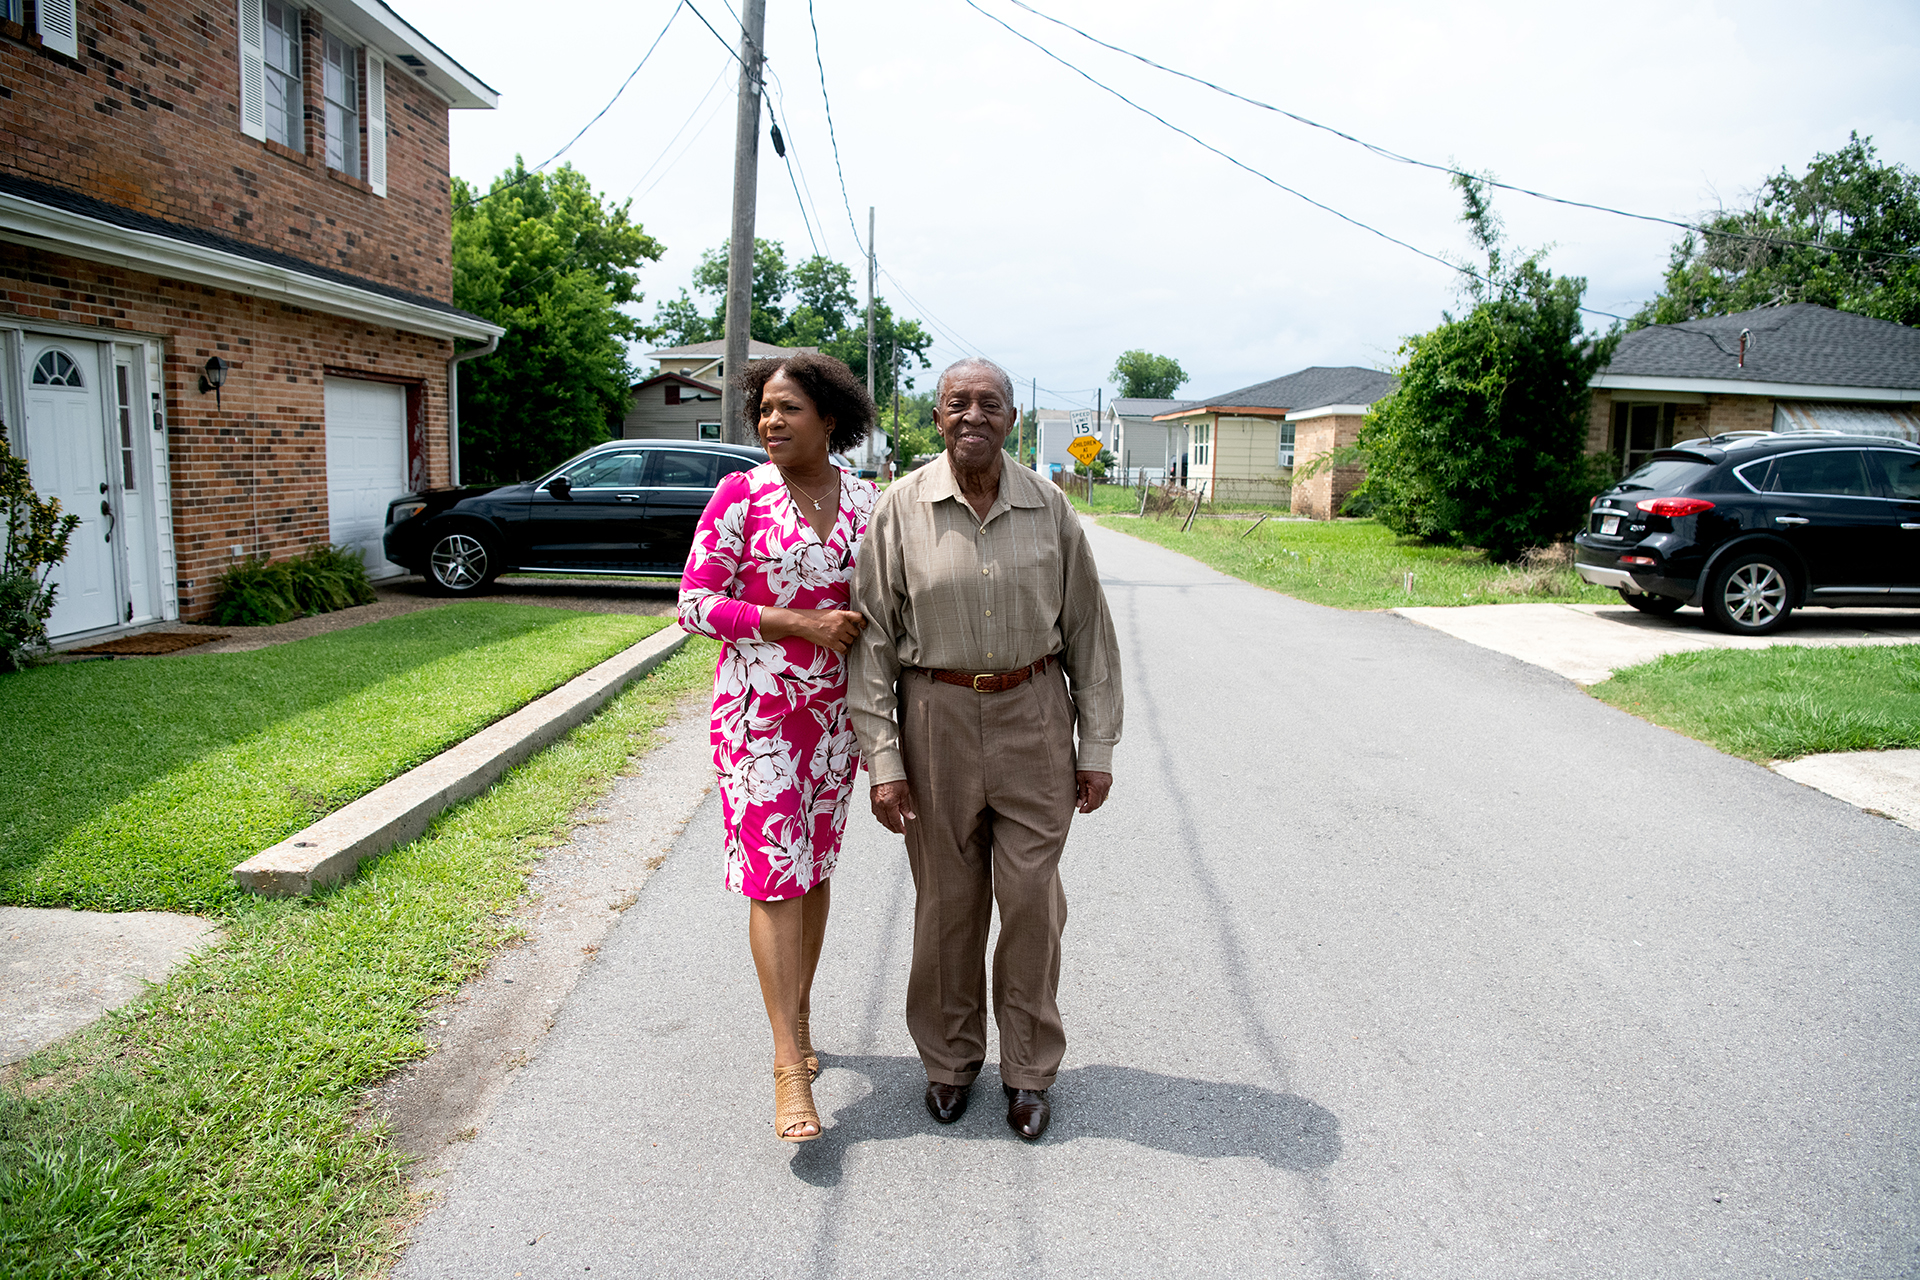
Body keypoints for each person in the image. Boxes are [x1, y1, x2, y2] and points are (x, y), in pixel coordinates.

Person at [848, 357, 1122, 1141]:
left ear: (1013, 419)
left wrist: (1095, 743)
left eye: (990, 403)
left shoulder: (1051, 507)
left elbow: (1090, 636)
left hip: (1034, 715)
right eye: (956, 403)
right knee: (947, 904)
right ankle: (950, 1059)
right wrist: (885, 760)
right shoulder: (899, 509)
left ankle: (1030, 1070)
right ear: (936, 417)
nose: (973, 414)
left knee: (1032, 903)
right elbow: (870, 644)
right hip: (933, 715)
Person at [678, 353, 879, 1143]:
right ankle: (787, 1067)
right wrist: (797, 622)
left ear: (830, 418)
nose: (770, 421)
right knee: (774, 879)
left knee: (816, 871)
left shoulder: (867, 502)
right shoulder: (742, 496)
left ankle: (797, 1015)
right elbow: (695, 605)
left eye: (788, 408)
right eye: (764, 409)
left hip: (836, 722)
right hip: (758, 716)